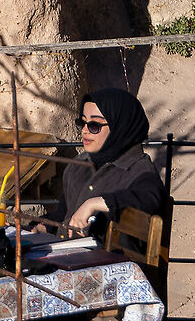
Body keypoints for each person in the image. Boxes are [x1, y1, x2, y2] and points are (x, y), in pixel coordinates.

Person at [55, 88, 166, 238]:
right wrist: (40, 228)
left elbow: (151, 197)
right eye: (82, 122)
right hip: (65, 254)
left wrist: (94, 204)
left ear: (120, 127)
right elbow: (62, 214)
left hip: (109, 258)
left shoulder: (138, 169)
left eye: (94, 125)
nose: (85, 131)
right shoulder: (78, 166)